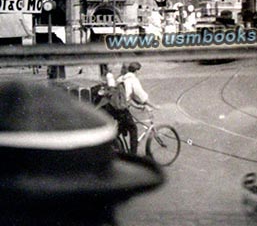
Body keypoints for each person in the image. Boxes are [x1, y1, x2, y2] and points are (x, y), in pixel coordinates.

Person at [0, 79, 164, 226]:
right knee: (132, 129)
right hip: (120, 112)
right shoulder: (130, 80)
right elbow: (140, 97)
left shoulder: (120, 79)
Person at [117, 61, 159, 154]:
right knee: (133, 129)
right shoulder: (133, 80)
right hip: (121, 108)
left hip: (114, 107)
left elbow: (129, 98)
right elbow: (142, 96)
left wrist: (139, 106)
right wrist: (154, 106)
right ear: (136, 71)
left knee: (122, 126)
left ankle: (111, 140)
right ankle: (133, 155)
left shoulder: (121, 78)